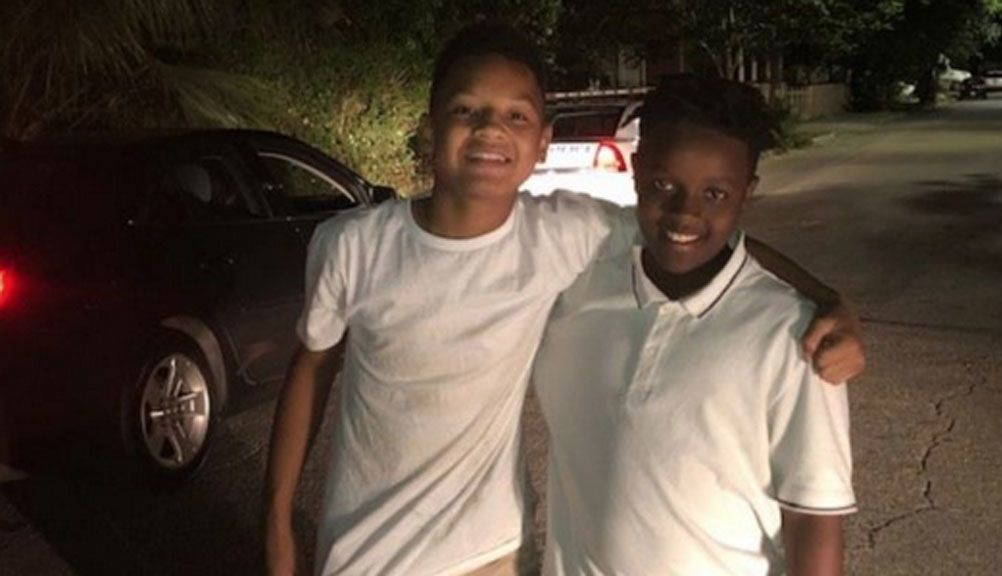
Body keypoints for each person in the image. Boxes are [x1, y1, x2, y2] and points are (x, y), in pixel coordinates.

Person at [265, 23, 864, 576]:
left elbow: (701, 229)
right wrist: (277, 521)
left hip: (491, 553)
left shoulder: (561, 234)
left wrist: (826, 299)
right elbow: (312, 366)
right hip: (364, 555)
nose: (490, 129)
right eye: (466, 110)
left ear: (542, 140)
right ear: (431, 124)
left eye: (516, 115)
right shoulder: (352, 244)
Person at [532, 74, 857, 576]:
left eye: (715, 193)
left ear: (746, 193)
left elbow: (813, 519)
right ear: (636, 170)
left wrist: (829, 300)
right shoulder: (578, 283)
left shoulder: (794, 336)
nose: (685, 213)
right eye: (664, 185)